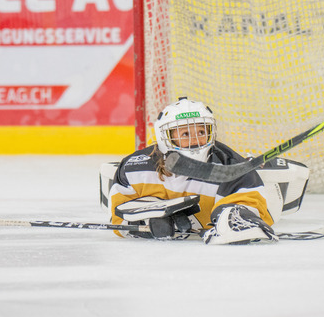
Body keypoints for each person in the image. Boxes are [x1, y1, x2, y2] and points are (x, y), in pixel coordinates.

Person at [108, 97, 278, 244]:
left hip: (269, 194)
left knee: (228, 211)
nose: (195, 140)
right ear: (166, 138)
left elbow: (256, 210)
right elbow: (118, 214)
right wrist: (146, 224)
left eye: (202, 131)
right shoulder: (136, 168)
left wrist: (237, 221)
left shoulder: (231, 167)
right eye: (185, 134)